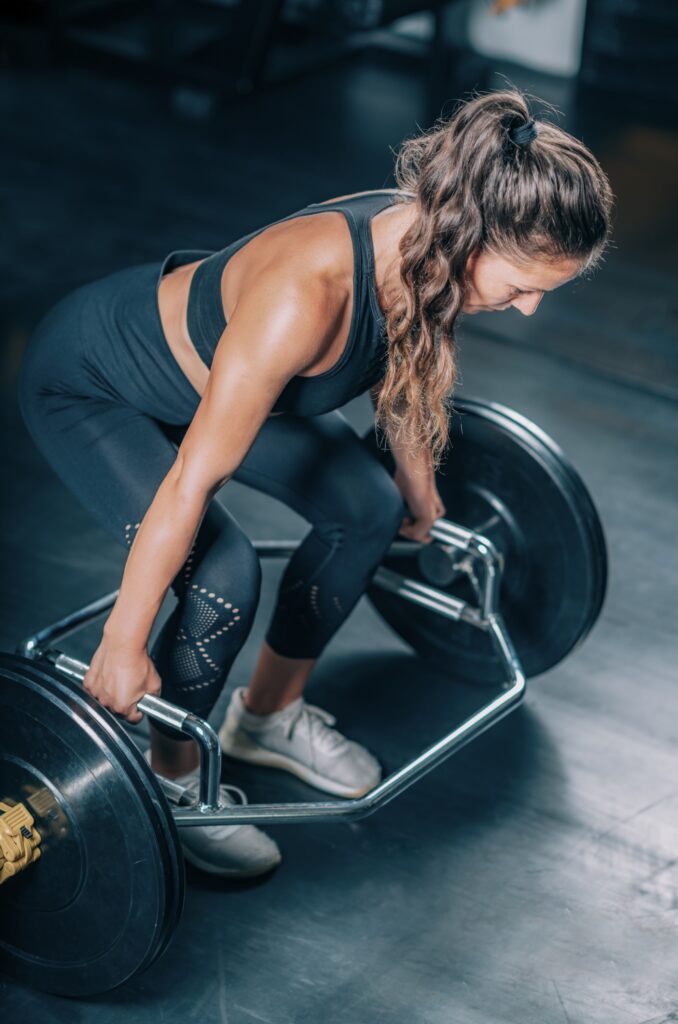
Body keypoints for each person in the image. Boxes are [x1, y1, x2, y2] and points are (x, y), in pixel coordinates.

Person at [17, 89, 614, 878]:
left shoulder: (431, 245)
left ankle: (264, 718)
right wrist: (122, 643)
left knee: (369, 505)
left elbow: (399, 366)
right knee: (222, 573)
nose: (531, 309)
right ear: (473, 238)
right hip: (95, 386)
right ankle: (168, 782)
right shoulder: (306, 295)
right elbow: (192, 482)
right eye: (524, 284)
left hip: (219, 385)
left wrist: (421, 489)